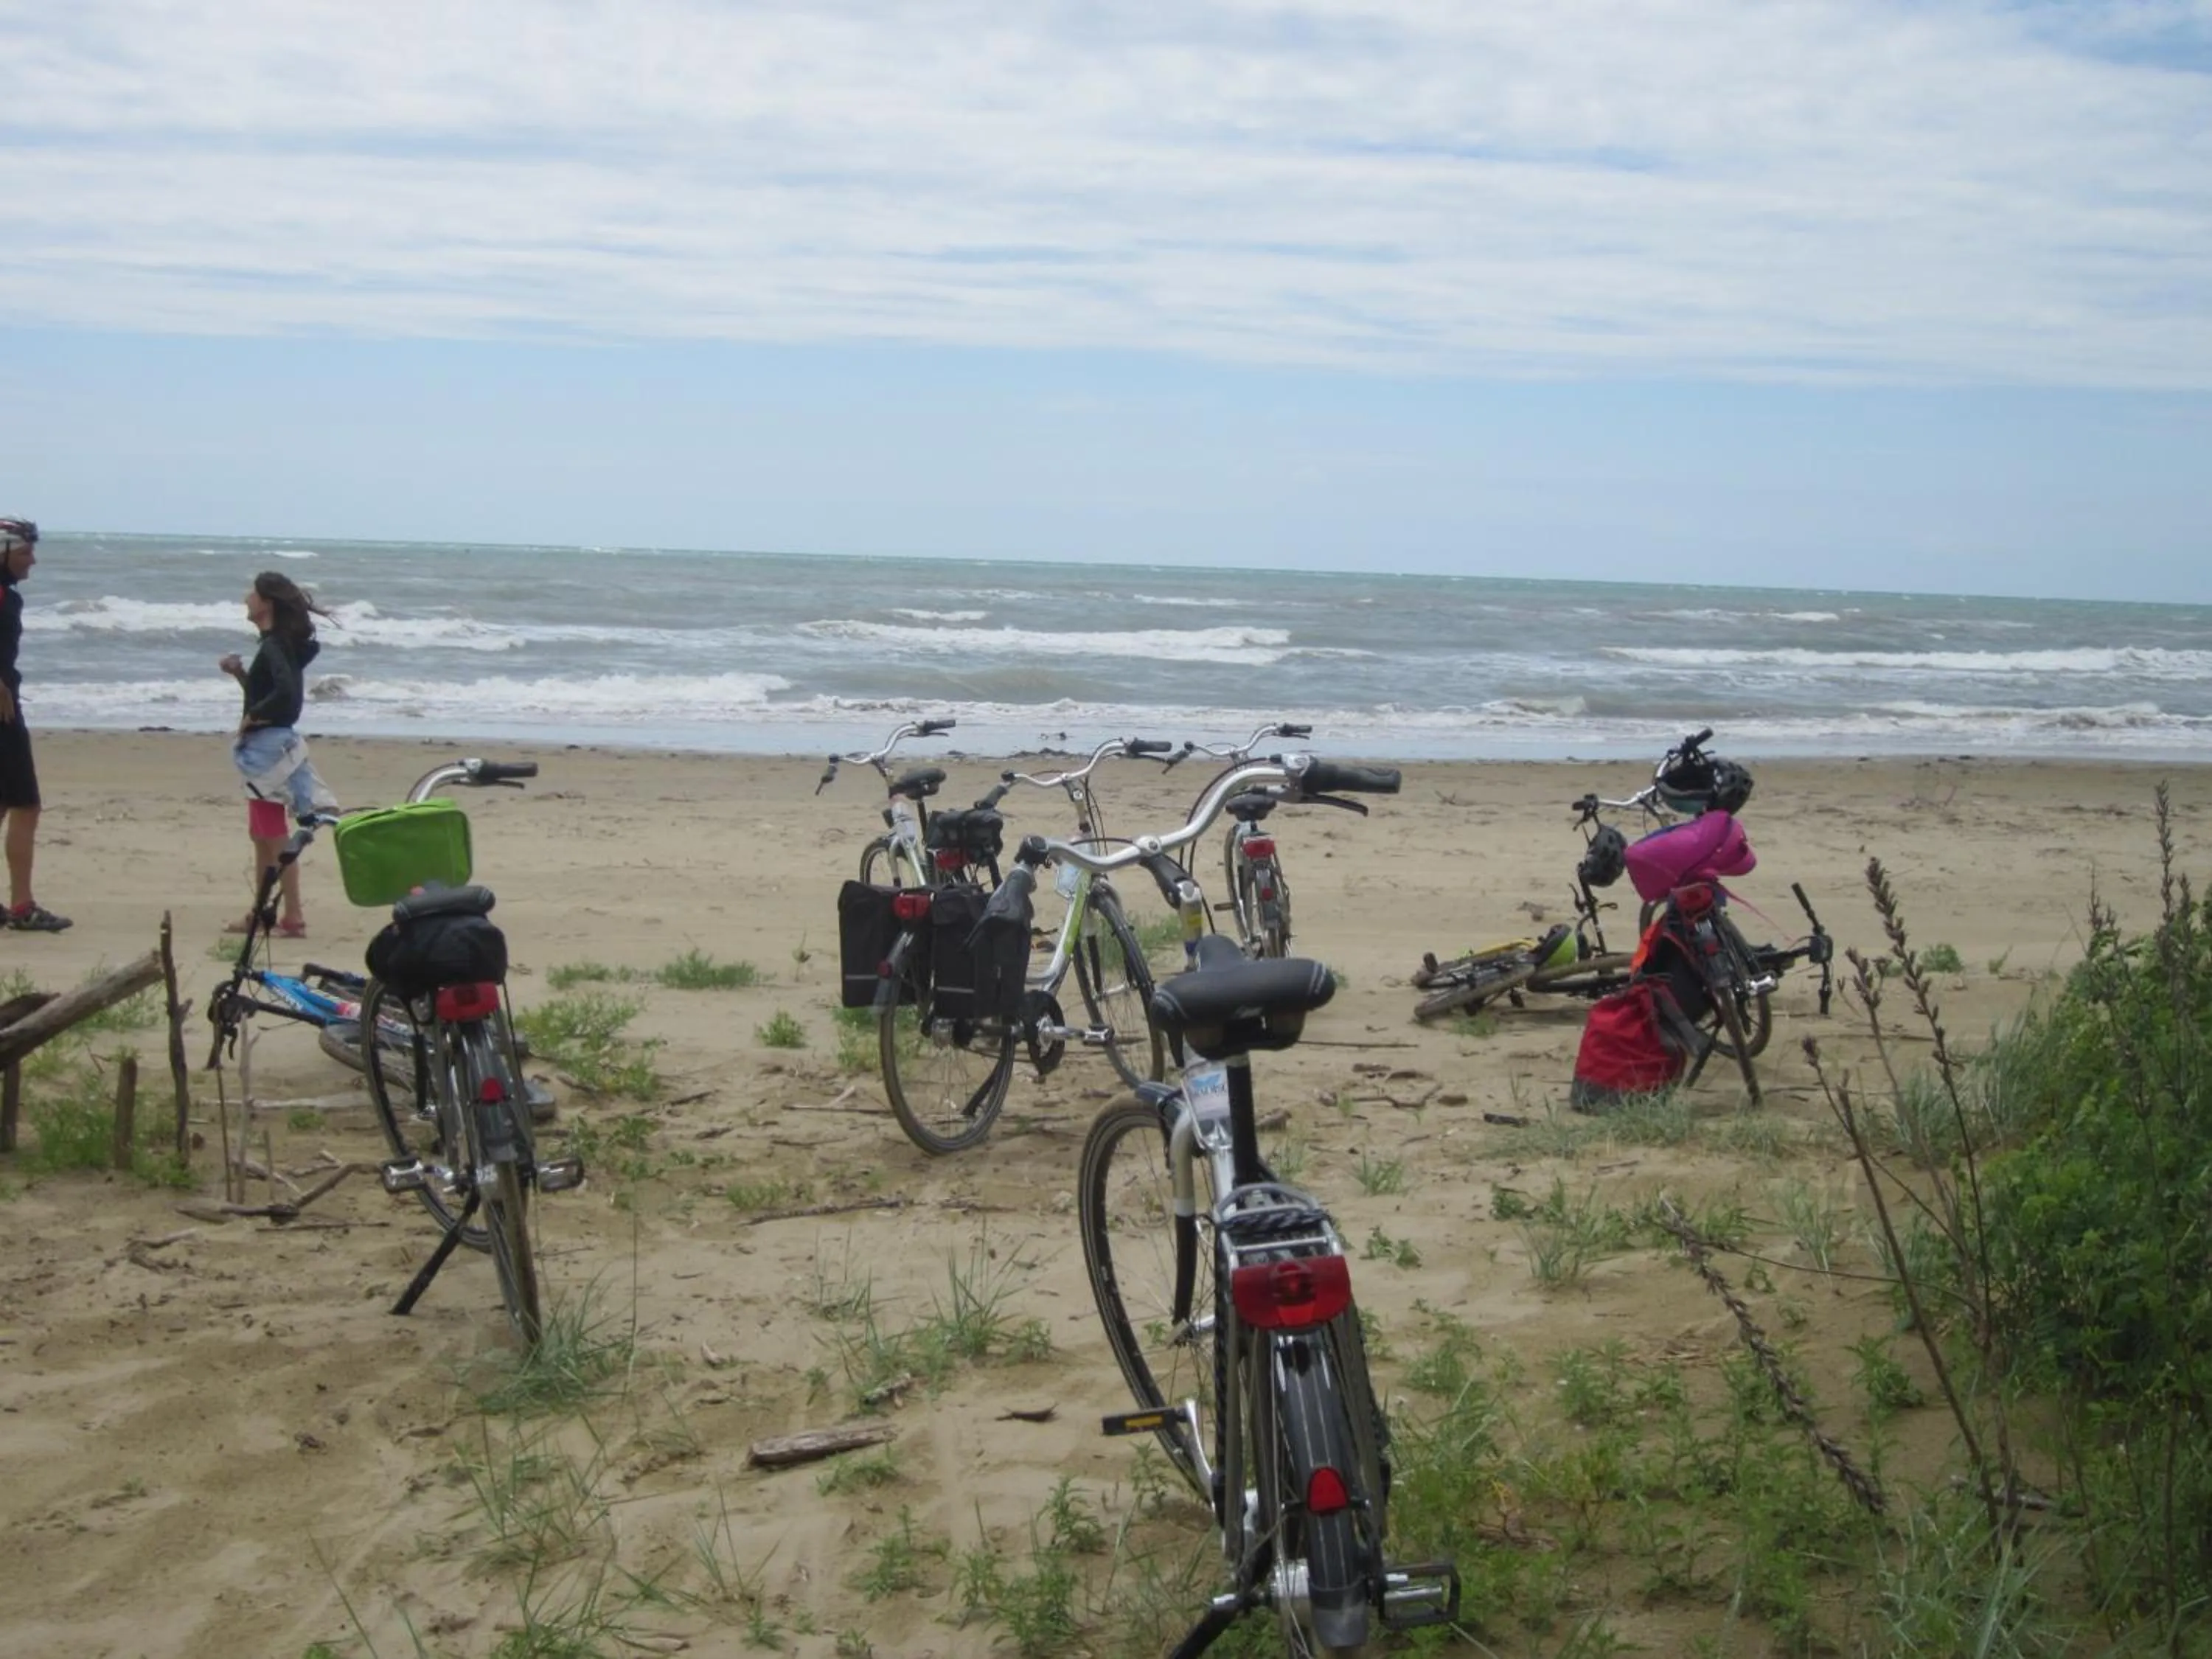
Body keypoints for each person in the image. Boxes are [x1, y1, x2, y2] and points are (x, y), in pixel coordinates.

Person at [218, 571, 339, 937]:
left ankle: (292, 915)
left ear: (266, 603)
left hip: (268, 748)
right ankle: (265, 913)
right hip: (274, 743)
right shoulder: (276, 644)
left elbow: (287, 695)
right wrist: (240, 675)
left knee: (271, 835)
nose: (246, 598)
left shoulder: (274, 645)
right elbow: (271, 691)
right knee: (263, 833)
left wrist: (254, 717)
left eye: (252, 593)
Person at [1, 518, 70, 932]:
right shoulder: (4, 597)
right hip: (4, 715)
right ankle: (23, 905)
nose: (33, 561)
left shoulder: (8, 596)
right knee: (26, 805)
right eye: (26, 552)